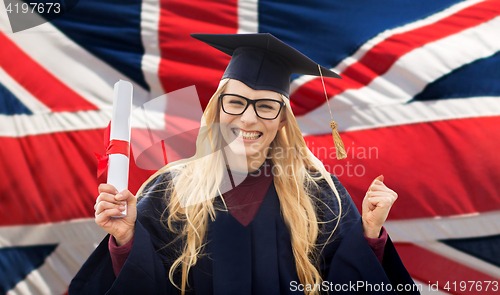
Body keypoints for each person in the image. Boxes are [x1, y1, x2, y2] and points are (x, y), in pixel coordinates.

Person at [69, 33, 420, 295]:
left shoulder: (319, 193)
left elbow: (349, 283)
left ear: (283, 119)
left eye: (266, 106)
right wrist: (127, 238)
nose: (249, 119)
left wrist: (371, 234)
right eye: (236, 102)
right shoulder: (171, 191)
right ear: (218, 109)